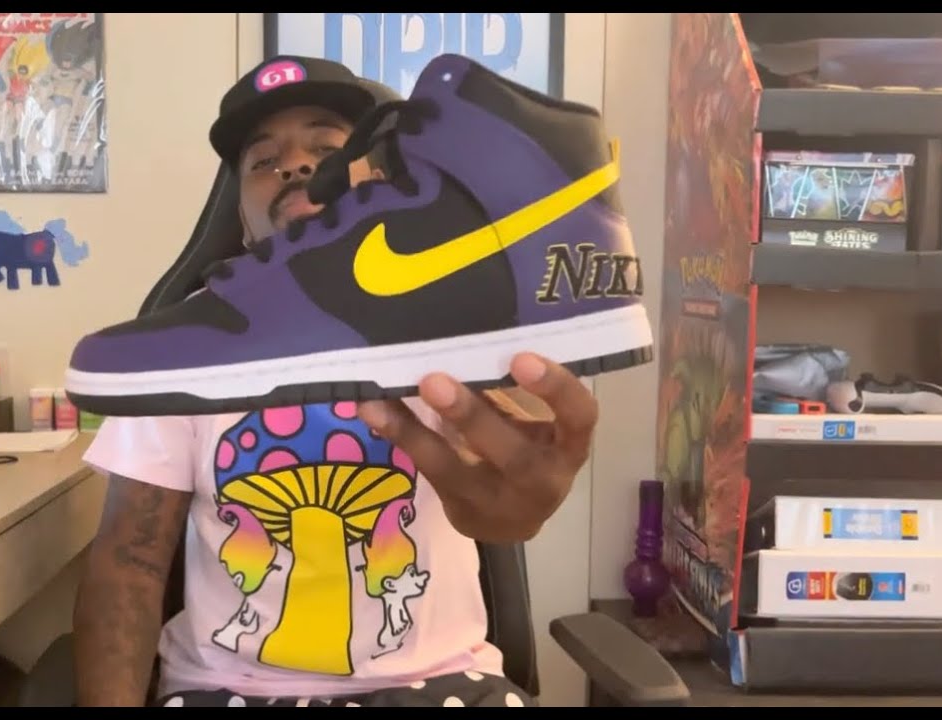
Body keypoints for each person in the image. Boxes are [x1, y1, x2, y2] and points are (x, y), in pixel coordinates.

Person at [72, 56, 600, 708]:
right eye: (263, 161)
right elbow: (130, 559)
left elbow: (515, 474)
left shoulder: (457, 322)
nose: (295, 166)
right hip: (225, 691)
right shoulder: (182, 347)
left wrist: (520, 508)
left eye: (326, 150)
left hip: (439, 685)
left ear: (383, 183)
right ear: (242, 223)